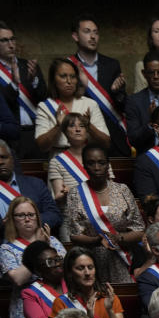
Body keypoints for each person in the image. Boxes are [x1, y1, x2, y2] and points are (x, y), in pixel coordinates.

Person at [63, 145, 144, 283]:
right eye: (91, 163)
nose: (96, 167)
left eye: (101, 163)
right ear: (84, 166)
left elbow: (139, 230)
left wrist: (118, 238)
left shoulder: (122, 190)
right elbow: (74, 235)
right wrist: (97, 240)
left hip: (123, 259)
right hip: (92, 263)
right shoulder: (76, 194)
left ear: (108, 165)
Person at [1, 198, 65, 318]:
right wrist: (38, 247)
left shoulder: (52, 241)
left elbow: (67, 269)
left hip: (56, 300)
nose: (27, 219)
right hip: (26, 308)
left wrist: (45, 246)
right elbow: (18, 279)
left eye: (31, 214)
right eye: (21, 215)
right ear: (13, 219)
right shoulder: (7, 248)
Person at [68, 14, 129, 157]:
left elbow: (123, 105)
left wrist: (116, 93)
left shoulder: (112, 65)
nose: (93, 36)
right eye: (87, 31)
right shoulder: (68, 66)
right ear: (75, 36)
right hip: (82, 133)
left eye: (95, 32)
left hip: (112, 133)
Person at [50, 246, 128, 318]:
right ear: (70, 273)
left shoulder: (109, 299)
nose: (87, 273)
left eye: (90, 267)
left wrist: (110, 311)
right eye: (80, 268)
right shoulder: (61, 303)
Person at [34, 58, 109, 156]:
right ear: (53, 79)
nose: (69, 81)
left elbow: (106, 142)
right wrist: (58, 127)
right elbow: (41, 146)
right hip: (60, 160)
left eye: (73, 77)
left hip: (87, 158)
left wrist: (89, 125)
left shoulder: (90, 104)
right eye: (63, 76)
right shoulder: (45, 106)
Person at [0, 20, 47, 159]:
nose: (11, 44)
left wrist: (34, 81)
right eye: (4, 40)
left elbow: (44, 97)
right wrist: (14, 84)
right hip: (11, 136)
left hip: (37, 131)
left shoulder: (28, 65)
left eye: (12, 39)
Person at [46, 113, 112, 211]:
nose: (78, 129)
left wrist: (74, 191)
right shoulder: (56, 162)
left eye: (82, 126)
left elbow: (111, 190)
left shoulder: (101, 157)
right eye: (72, 126)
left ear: (87, 131)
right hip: (73, 214)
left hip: (102, 211)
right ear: (65, 131)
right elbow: (58, 197)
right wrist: (66, 194)